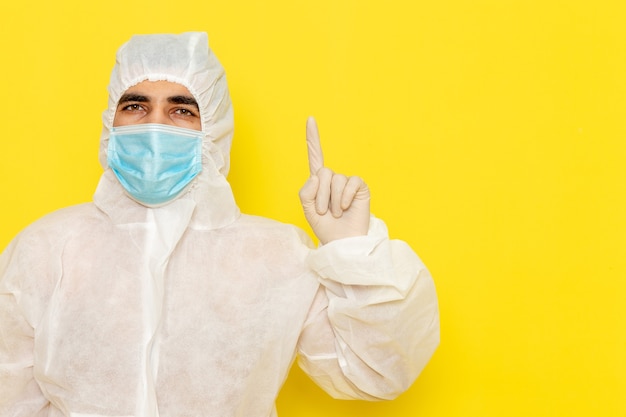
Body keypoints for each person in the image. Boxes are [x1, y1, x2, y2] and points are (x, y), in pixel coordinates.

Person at [0, 32, 439, 417]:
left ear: (213, 128)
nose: (155, 126)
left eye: (181, 111)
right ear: (110, 123)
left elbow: (375, 376)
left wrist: (352, 253)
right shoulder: (46, 248)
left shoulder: (279, 253)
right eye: (136, 105)